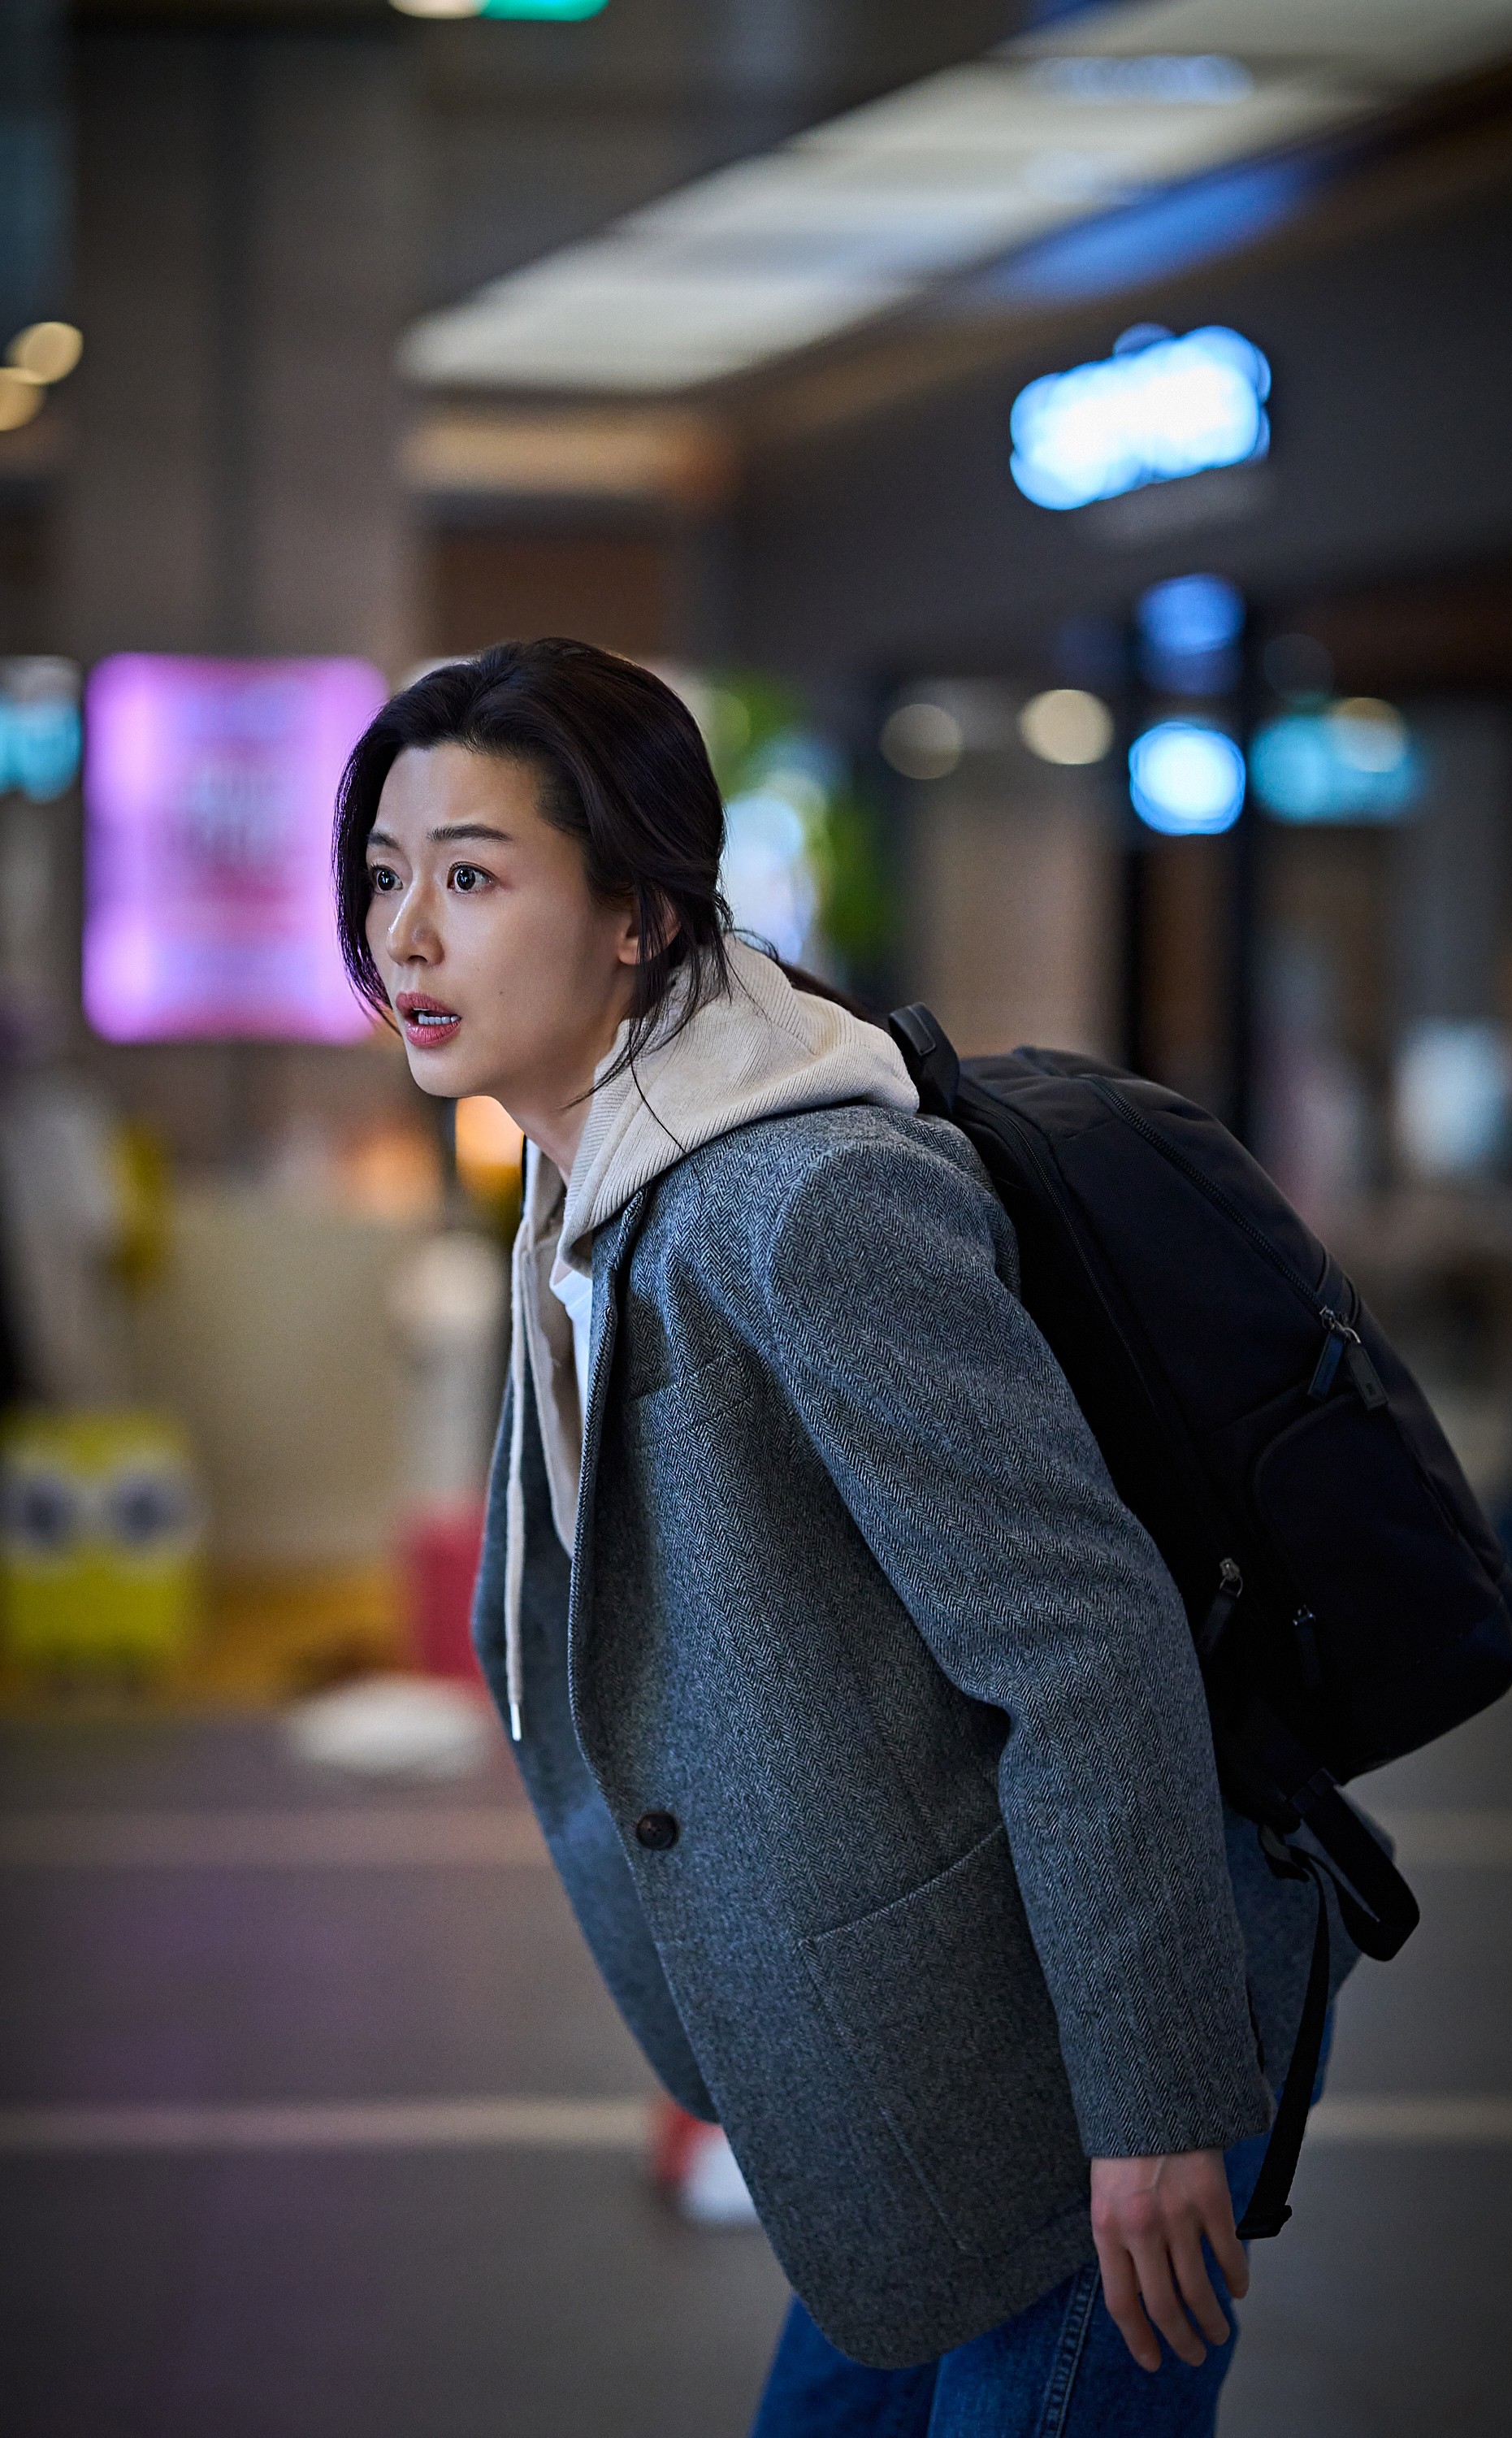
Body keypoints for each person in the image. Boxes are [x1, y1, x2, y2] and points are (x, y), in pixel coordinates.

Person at [334, 639, 1357, 2436]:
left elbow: (1083, 1646)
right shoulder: (599, 1180)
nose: (405, 937)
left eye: (472, 879)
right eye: (385, 875)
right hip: (909, 2095)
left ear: (641, 915)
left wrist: (1151, 2111)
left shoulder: (802, 1203)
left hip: (1069, 2093)